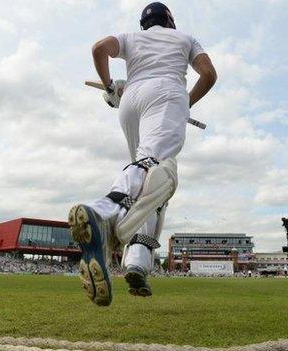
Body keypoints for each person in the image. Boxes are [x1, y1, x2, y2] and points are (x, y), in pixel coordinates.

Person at [68, 1, 217, 306]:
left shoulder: (131, 38)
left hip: (131, 101)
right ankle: (105, 212)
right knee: (155, 169)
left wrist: (111, 87)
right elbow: (209, 74)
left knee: (152, 182)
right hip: (166, 93)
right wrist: (184, 103)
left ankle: (137, 262)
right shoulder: (185, 38)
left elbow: (99, 48)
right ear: (170, 20)